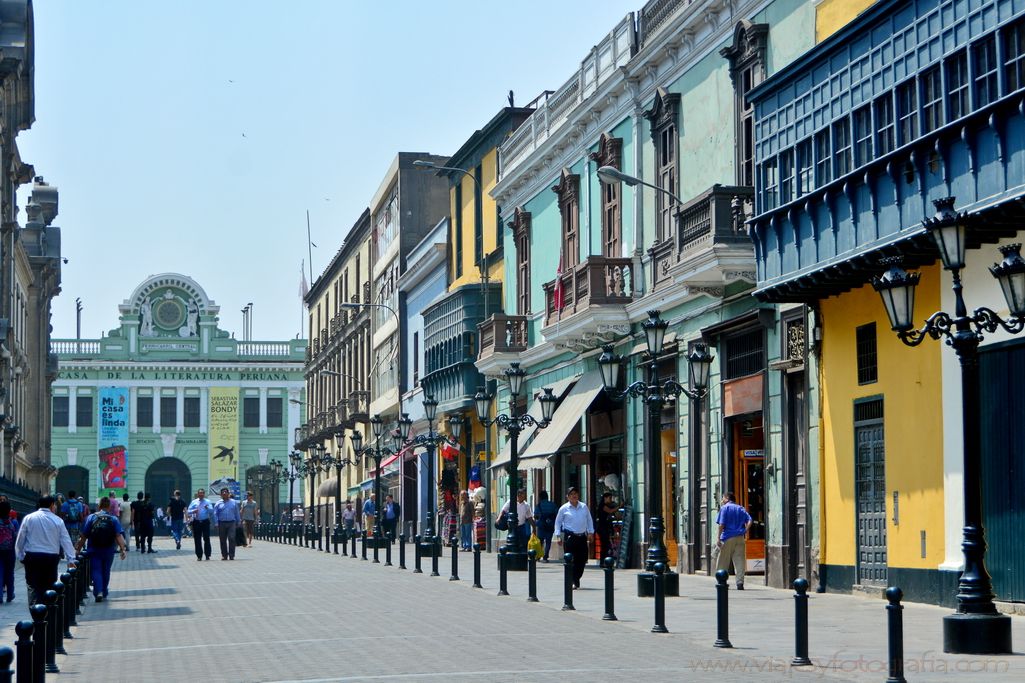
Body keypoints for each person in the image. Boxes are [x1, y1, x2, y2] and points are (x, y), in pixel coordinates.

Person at [14, 496, 77, 606]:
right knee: (49, 585)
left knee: (33, 586)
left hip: (32, 556)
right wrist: (71, 559)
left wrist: (21, 556)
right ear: (52, 505)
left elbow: (20, 539)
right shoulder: (58, 521)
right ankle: (47, 612)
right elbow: (66, 540)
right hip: (51, 558)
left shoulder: (29, 518)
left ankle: (35, 610)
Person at [74, 496, 127, 602]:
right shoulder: (113, 519)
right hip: (108, 550)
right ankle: (104, 591)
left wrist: (78, 549)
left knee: (96, 570)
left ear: (99, 506)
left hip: (94, 549)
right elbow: (118, 535)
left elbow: (84, 536)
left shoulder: (92, 517)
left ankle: (98, 591)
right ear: (109, 507)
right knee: (106, 570)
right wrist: (123, 549)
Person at [552, 487, 594, 589]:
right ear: (567, 496)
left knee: (582, 560)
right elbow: (557, 522)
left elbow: (589, 519)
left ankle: (576, 577)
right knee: (570, 560)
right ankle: (573, 580)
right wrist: (558, 536)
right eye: (571, 494)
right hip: (570, 537)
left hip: (582, 537)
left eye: (575, 493)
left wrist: (591, 532)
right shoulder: (564, 508)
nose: (574, 496)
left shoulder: (584, 507)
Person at [714, 492, 753, 590]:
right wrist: (745, 530)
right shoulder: (740, 508)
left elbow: (721, 525)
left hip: (727, 538)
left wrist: (718, 538)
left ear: (727, 498)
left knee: (723, 560)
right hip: (740, 537)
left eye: (722, 498)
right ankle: (740, 583)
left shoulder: (724, 508)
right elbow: (750, 520)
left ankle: (721, 581)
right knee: (739, 560)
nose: (722, 500)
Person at [214, 488, 241, 560]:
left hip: (231, 522)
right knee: (222, 539)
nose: (224, 494)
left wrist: (239, 521)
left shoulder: (233, 502)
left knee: (232, 538)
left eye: (225, 492)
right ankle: (224, 555)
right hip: (221, 523)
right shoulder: (218, 503)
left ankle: (232, 555)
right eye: (223, 493)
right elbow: (215, 514)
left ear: (228, 493)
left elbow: (237, 512)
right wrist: (216, 523)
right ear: (221, 494)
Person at [0, 500, 19, 602]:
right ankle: (10, 594)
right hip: (10, 551)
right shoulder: (12, 522)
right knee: (10, 573)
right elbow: (16, 536)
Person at [533, 490, 558, 562]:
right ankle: (545, 556)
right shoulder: (553, 504)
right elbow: (557, 514)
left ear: (540, 497)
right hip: (550, 525)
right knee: (548, 541)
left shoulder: (539, 505)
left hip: (541, 526)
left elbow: (536, 515)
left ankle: (538, 556)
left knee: (540, 541)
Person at [595, 491, 619, 564]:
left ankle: (605, 560)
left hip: (606, 527)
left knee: (606, 544)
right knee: (604, 544)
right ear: (605, 498)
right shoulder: (603, 505)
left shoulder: (607, 505)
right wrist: (619, 506)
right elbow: (610, 511)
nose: (611, 499)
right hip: (602, 527)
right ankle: (603, 561)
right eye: (610, 498)